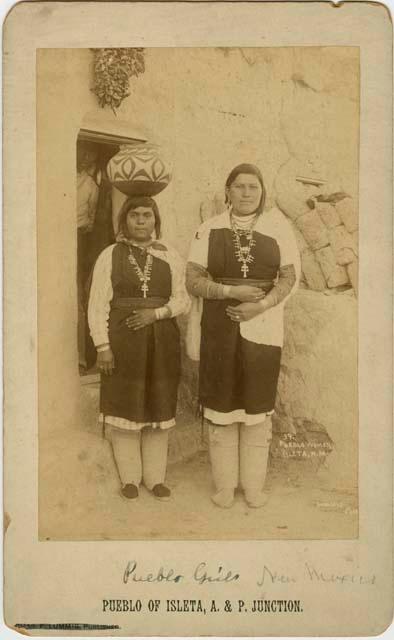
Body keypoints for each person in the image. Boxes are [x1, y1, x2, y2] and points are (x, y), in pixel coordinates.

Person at [186, 164, 300, 509]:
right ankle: (224, 487)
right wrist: (227, 291)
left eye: (253, 187)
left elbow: (289, 277)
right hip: (219, 329)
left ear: (262, 192)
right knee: (222, 406)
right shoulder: (209, 229)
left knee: (256, 407)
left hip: (263, 328)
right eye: (239, 187)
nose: (247, 193)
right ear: (228, 191)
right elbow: (192, 279)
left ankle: (253, 487)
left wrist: (260, 305)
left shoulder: (279, 228)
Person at [88, 195, 190, 501]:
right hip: (123, 341)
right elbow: (96, 304)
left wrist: (156, 314)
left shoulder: (170, 254)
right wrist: (103, 346)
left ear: (156, 220)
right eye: (135, 215)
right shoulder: (110, 254)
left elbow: (183, 299)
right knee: (126, 406)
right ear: (125, 220)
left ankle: (155, 478)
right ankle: (130, 479)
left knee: (158, 405)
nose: (142, 221)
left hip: (162, 340)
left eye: (148, 215)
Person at [77, 143, 99, 372]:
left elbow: (91, 219)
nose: (85, 161)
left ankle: (83, 357)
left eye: (89, 159)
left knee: (81, 291)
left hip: (80, 238)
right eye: (83, 156)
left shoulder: (92, 186)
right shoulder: (65, 177)